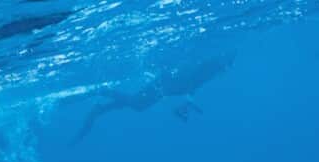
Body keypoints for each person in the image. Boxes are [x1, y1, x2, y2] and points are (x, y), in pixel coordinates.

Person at [73, 51, 235, 143]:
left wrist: (187, 103)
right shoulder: (208, 68)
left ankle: (101, 107)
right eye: (228, 66)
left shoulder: (209, 72)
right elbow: (188, 79)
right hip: (162, 86)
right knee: (137, 104)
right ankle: (102, 92)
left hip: (165, 88)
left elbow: (193, 86)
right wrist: (182, 101)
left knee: (138, 104)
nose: (227, 71)